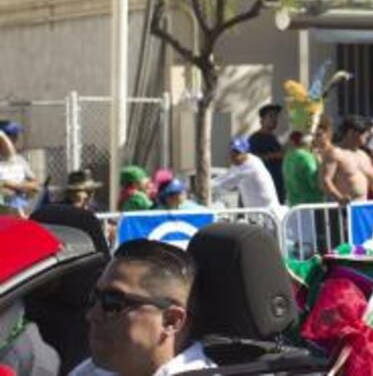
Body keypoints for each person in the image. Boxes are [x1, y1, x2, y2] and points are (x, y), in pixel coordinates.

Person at [69, 239, 215, 375]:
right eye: (94, 297)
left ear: (171, 320)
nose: (92, 315)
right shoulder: (91, 371)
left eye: (113, 301)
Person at [319, 116, 373, 204]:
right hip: (341, 208)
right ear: (351, 133)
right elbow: (325, 180)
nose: (367, 136)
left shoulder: (364, 156)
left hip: (361, 208)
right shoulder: (334, 153)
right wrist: (339, 198)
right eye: (364, 133)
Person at [212, 136, 280, 209]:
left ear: (246, 152)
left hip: (267, 211)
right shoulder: (238, 163)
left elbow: (227, 182)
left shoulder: (252, 166)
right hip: (254, 211)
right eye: (232, 152)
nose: (234, 155)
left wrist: (207, 185)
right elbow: (226, 177)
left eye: (238, 152)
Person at [249, 103, 285, 204]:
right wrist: (274, 156)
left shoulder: (274, 138)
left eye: (276, 116)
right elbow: (252, 159)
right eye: (271, 116)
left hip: (278, 185)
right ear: (262, 120)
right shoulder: (255, 138)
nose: (274, 120)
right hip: (264, 188)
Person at [0, 122, 39, 213]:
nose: (15, 139)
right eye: (11, 135)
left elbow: (35, 184)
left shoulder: (19, 160)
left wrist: (17, 186)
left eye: (15, 135)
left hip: (21, 206)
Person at [282, 131, 323, 207]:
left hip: (293, 205)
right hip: (311, 204)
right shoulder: (306, 157)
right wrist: (320, 163)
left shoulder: (287, 157)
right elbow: (315, 182)